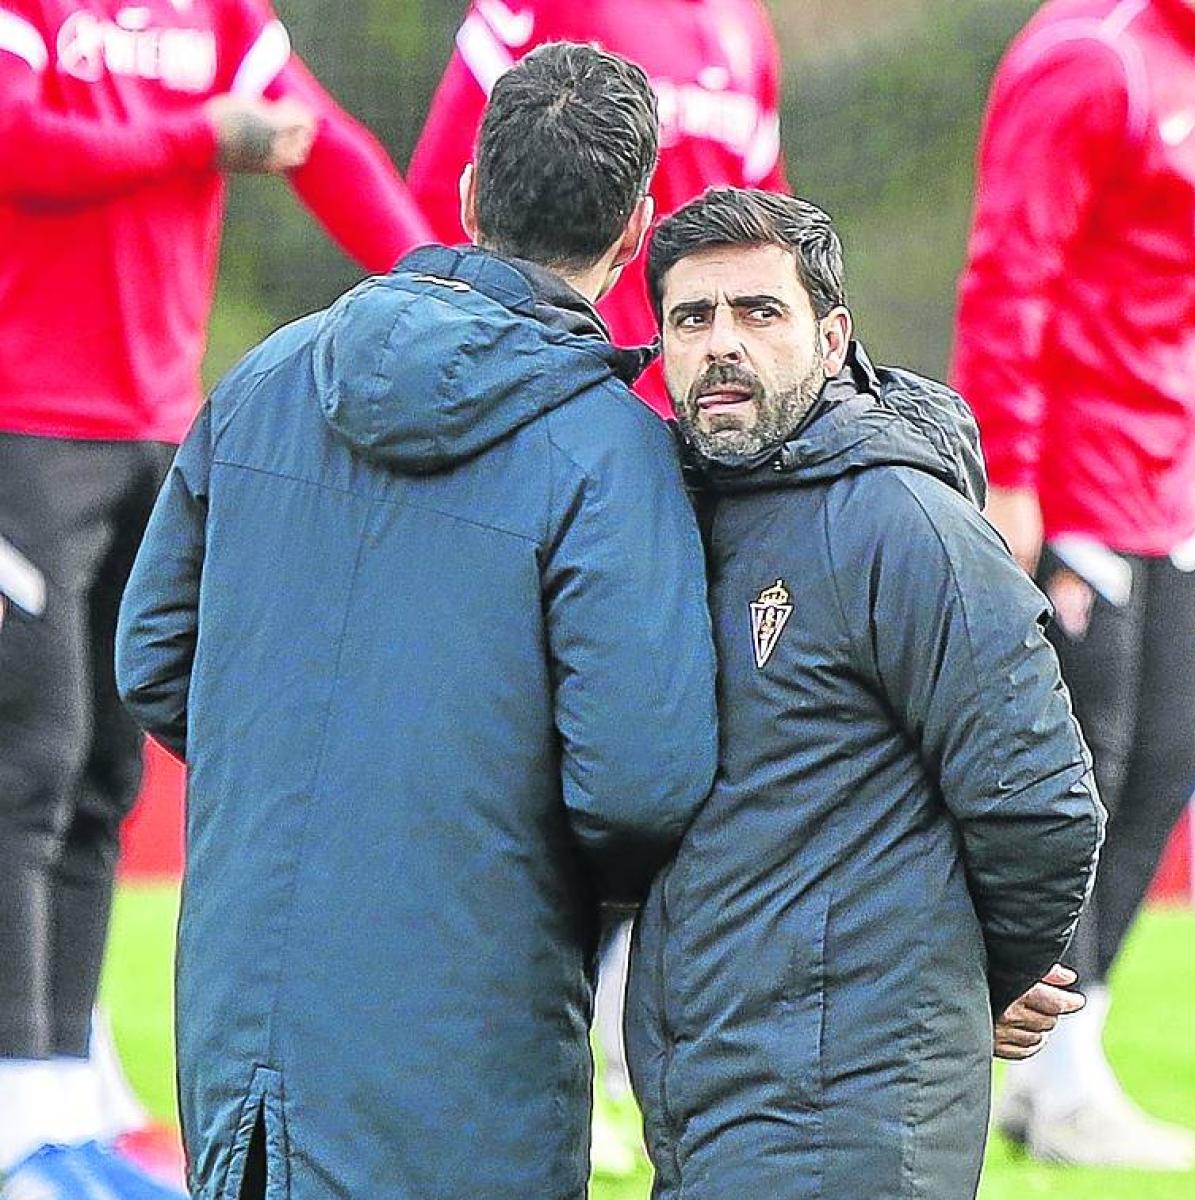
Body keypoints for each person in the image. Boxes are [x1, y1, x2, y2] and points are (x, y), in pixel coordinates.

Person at [115, 42, 717, 1200]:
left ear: (468, 194)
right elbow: (639, 781)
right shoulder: (615, 452)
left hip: (243, 1035)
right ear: (640, 230)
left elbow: (156, 659)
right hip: (468, 1042)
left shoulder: (266, 378)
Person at [0, 0, 430, 1192]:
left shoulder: (218, 12)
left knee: (104, 772)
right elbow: (17, 138)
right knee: (24, 761)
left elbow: (323, 144)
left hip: (152, 433)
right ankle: (15, 1106)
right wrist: (201, 137)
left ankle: (56, 1087)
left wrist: (455, 294)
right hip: (22, 427)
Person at [624, 188, 1105, 1200]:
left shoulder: (902, 522)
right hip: (715, 1098)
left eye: (759, 312)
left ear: (832, 334)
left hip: (848, 1115)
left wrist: (979, 981)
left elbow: (1041, 805)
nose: (722, 344)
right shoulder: (680, 515)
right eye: (692, 317)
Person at [949, 0, 1195, 1169]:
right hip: (1072, 479)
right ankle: (1018, 1069)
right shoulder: (1088, 59)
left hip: (1163, 483)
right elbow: (1009, 273)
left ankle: (1069, 1068)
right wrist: (1010, 478)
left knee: (1171, 761)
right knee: (1079, 785)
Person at [408, 0, 789, 416]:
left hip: (703, 409)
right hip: (559, 391)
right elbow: (443, 192)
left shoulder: (743, 21)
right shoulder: (535, 7)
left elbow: (767, 228)